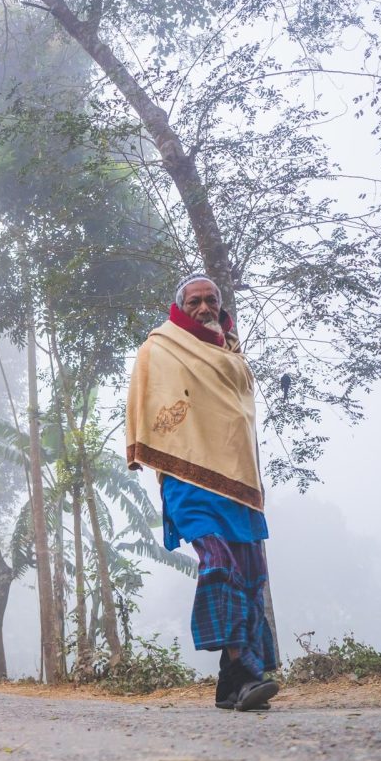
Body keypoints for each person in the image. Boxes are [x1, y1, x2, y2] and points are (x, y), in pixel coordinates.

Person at [125, 273, 279, 712]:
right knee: (218, 563)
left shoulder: (233, 354)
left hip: (238, 487)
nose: (204, 307)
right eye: (195, 301)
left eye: (211, 300)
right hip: (189, 480)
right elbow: (145, 398)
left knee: (249, 573)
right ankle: (247, 673)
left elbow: (240, 418)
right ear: (181, 306)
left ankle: (231, 685)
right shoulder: (161, 347)